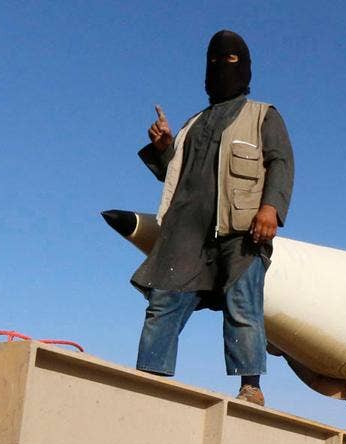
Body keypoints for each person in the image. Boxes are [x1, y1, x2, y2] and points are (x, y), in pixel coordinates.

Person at [133, 29, 294, 407]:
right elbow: (174, 174)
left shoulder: (263, 115)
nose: (222, 66)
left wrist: (271, 208)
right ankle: (148, 382)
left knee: (243, 303)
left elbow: (281, 163)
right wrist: (164, 147)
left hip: (241, 230)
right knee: (162, 302)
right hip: (186, 233)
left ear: (246, 68)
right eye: (215, 61)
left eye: (231, 60)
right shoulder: (193, 124)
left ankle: (250, 387)